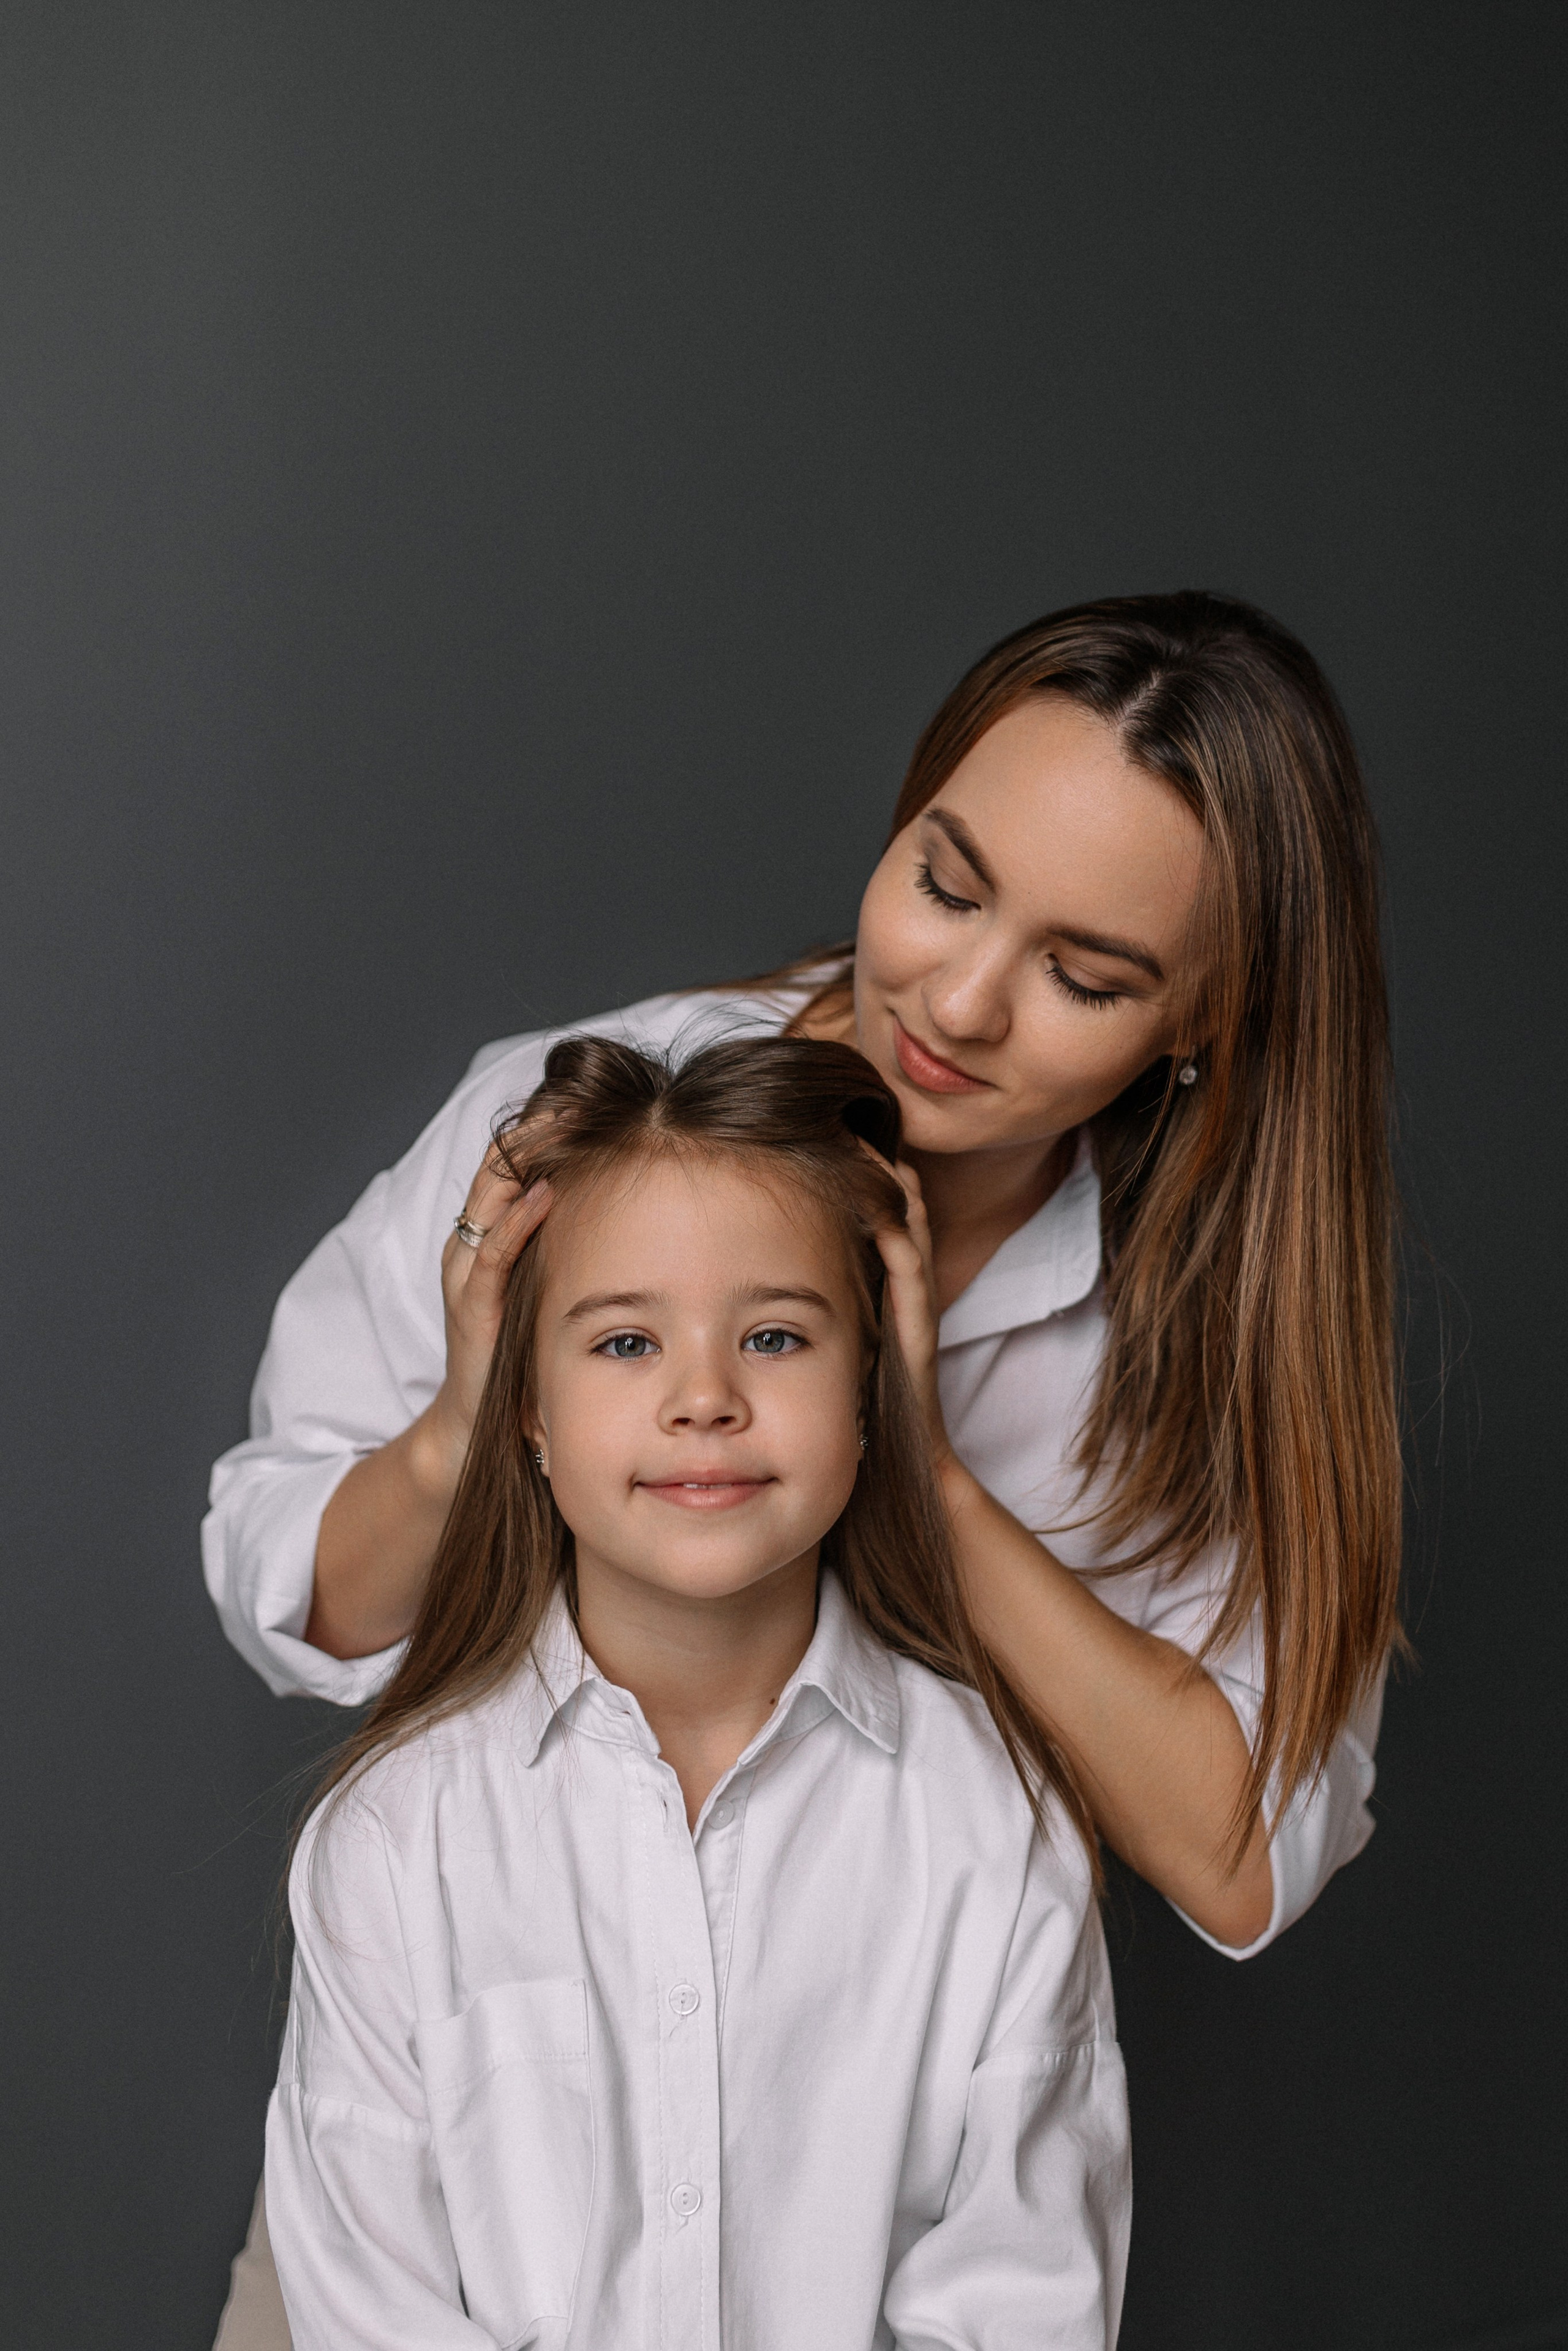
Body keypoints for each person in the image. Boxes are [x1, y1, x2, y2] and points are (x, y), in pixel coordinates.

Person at [208, 592, 1401, 2345]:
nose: (961, 998)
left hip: (856, 2199)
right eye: (945, 877)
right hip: (469, 2205)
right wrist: (474, 1418)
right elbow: (287, 1577)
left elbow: (1240, 1849)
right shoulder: (576, 1124)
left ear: (1199, 1024)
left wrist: (923, 1455)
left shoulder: (1214, 1330)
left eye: (1085, 975)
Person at [266, 1033, 1131, 2350]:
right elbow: (370, 2310)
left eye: (774, 1333)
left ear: (867, 1390)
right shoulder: (393, 1840)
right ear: (526, 1410)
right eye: (623, 1340)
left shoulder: (996, 1827)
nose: (704, 1398)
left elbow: (1020, 2302)